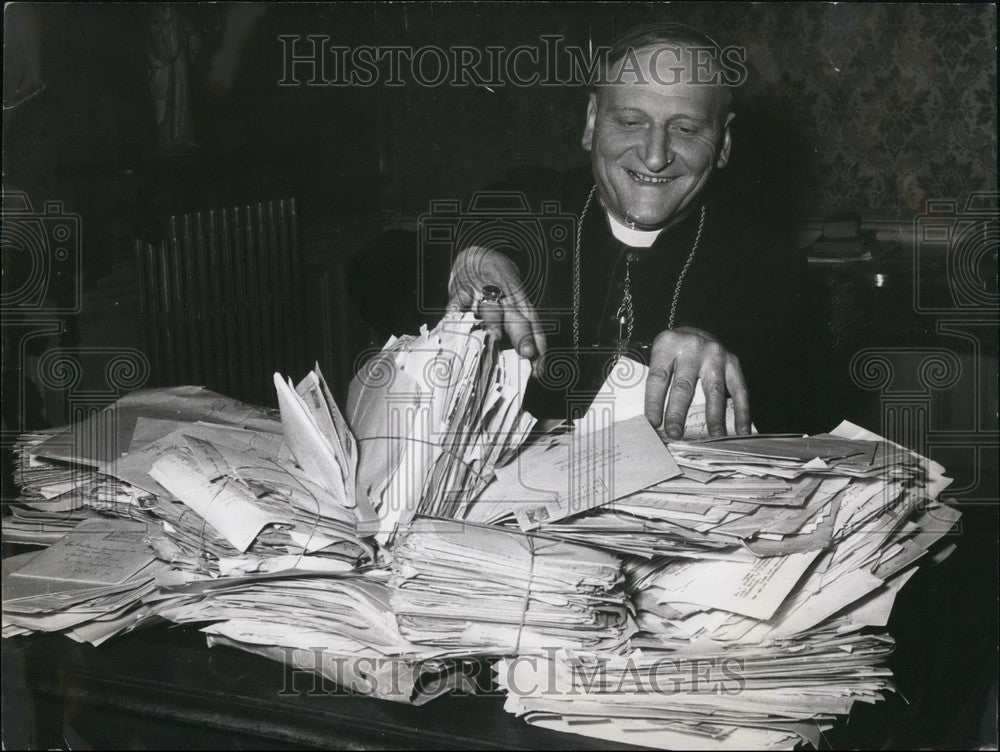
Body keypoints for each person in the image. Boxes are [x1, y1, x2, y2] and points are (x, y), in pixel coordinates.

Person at [350, 22, 805, 436]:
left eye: (685, 129)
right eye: (631, 122)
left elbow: (787, 393)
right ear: (591, 122)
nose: (654, 156)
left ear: (723, 143)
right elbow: (375, 267)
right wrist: (470, 260)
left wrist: (719, 356)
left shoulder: (763, 261)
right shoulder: (529, 201)